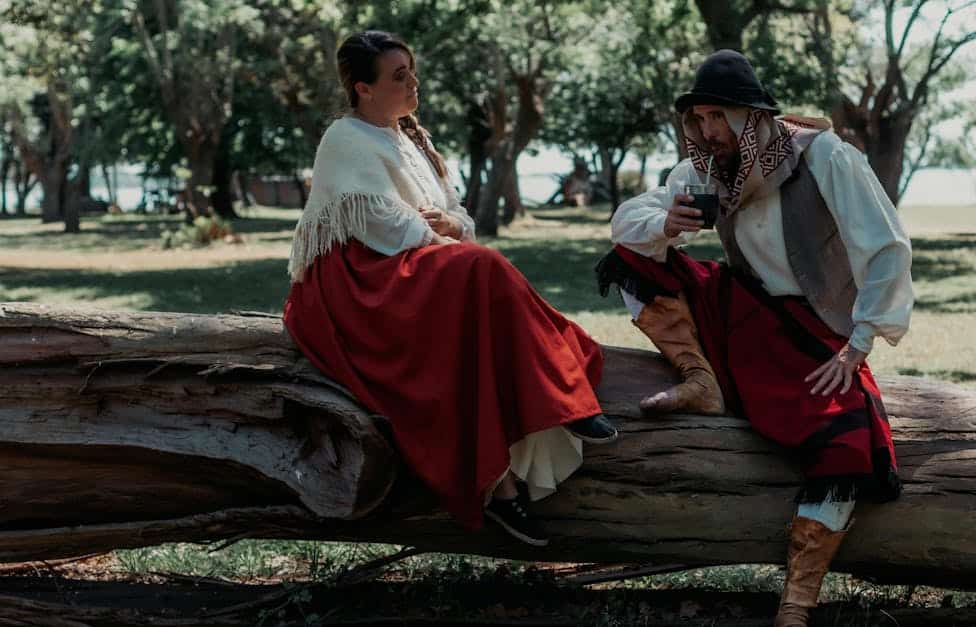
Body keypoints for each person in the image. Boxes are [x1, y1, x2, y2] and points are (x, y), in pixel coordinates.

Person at [596, 49, 912, 627]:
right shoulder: (707, 169)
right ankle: (701, 380)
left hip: (816, 328)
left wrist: (858, 344)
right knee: (631, 259)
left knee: (847, 441)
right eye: (699, 120)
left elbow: (885, 245)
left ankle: (796, 604)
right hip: (746, 312)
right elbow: (627, 219)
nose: (709, 131)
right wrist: (667, 225)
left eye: (719, 117)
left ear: (751, 115)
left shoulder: (824, 157)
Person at [284, 30, 617, 548]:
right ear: (362, 89)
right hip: (358, 283)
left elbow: (454, 212)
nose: (412, 82)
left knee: (476, 282)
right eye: (399, 76)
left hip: (411, 264)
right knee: (479, 270)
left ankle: (509, 481)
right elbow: (380, 224)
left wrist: (454, 228)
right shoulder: (345, 138)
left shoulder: (412, 138)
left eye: (412, 71)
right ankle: (562, 398)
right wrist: (445, 237)